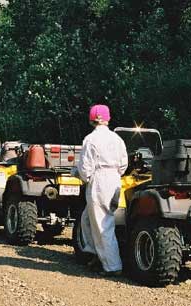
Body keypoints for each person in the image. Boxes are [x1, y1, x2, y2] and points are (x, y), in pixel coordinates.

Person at [73, 104, 128, 276]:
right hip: (114, 179)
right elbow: (124, 164)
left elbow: (85, 169)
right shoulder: (117, 139)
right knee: (87, 219)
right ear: (108, 119)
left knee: (103, 224)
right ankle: (95, 252)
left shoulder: (90, 140)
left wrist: (82, 176)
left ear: (91, 119)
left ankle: (112, 266)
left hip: (99, 181)